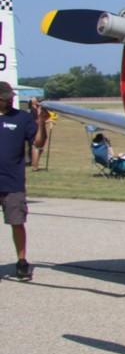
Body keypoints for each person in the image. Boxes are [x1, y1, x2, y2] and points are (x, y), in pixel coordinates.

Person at [0, 82, 47, 280]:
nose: (10, 99)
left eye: (11, 96)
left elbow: (38, 142)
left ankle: (21, 261)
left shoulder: (22, 118)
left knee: (17, 222)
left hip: (12, 181)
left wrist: (42, 123)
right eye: (5, 97)